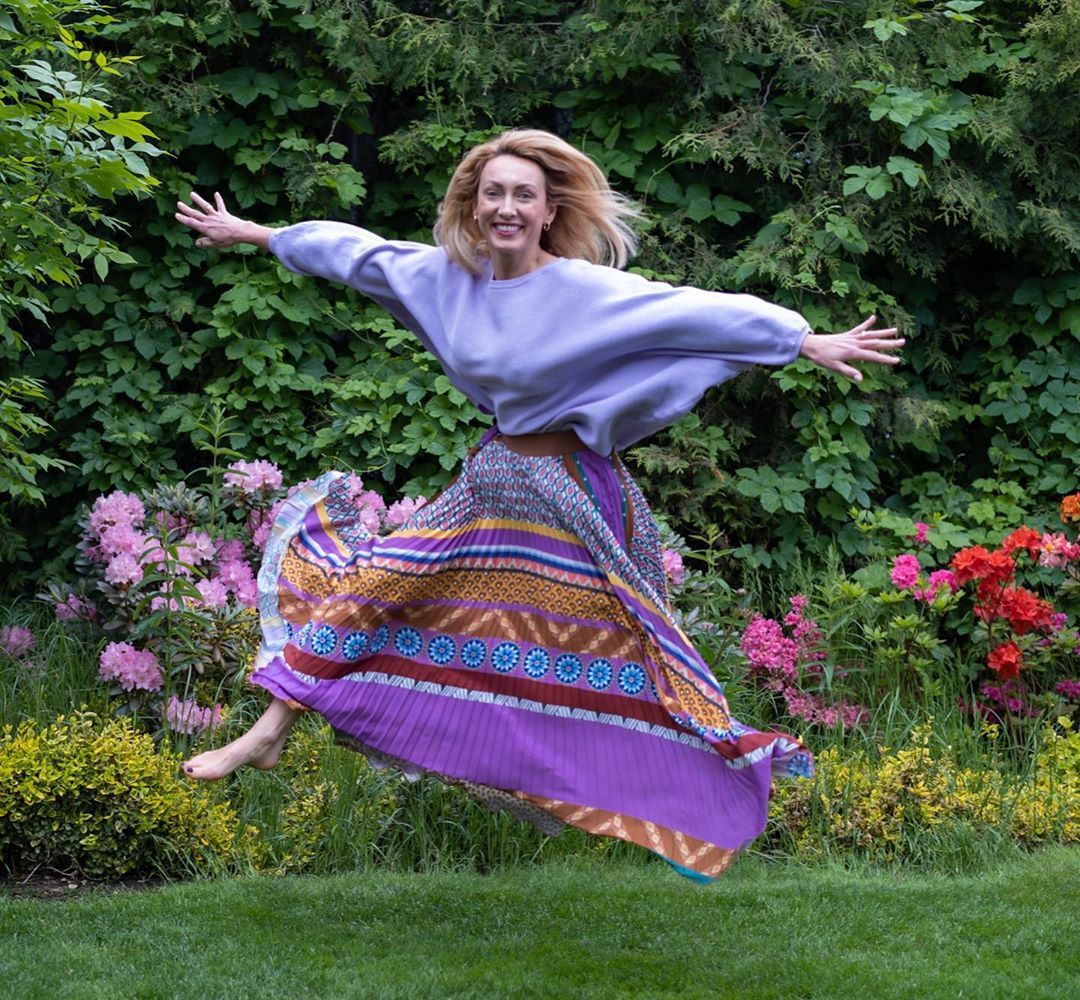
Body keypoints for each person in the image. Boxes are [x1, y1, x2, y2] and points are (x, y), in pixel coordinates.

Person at [175, 129, 903, 882]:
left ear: (549, 211)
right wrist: (253, 233)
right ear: (473, 204)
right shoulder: (445, 278)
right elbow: (354, 253)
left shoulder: (584, 291)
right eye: (493, 192)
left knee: (622, 653)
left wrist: (801, 340)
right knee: (370, 588)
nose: (507, 207)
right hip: (492, 482)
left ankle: (687, 784)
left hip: (566, 493)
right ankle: (268, 731)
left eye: (524, 195)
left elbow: (694, 311)